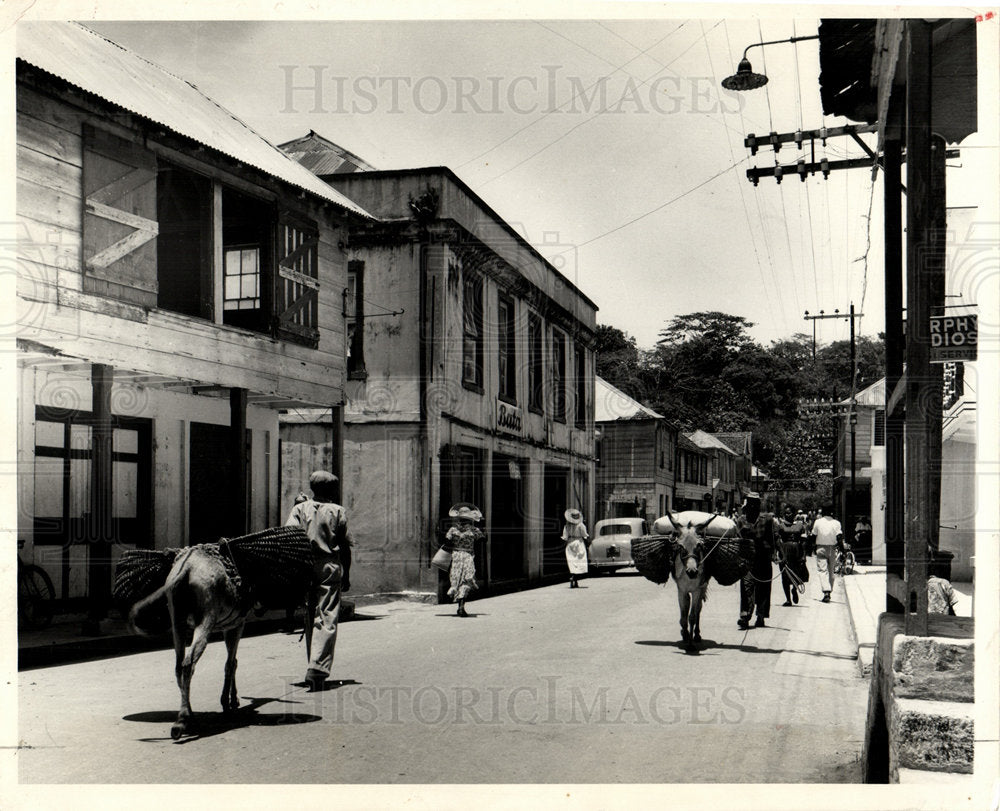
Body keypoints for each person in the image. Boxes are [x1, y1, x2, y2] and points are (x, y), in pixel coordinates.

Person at [285, 471, 352, 690]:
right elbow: (345, 546)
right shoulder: (338, 511)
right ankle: (318, 667)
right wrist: (347, 574)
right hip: (329, 565)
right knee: (327, 615)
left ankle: (312, 664)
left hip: (305, 564)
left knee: (310, 613)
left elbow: (290, 537)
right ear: (332, 490)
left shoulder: (299, 509)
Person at [737, 494, 776, 629]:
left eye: (755, 503)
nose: (752, 506)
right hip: (748, 560)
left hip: (763, 559)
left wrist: (773, 554)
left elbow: (771, 539)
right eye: (750, 503)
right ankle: (745, 616)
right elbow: (738, 541)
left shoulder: (767, 519)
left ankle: (760, 616)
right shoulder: (741, 520)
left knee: (763, 588)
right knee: (746, 586)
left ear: (758, 505)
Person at [443, 502, 483, 616]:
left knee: (456, 578)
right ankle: (461, 606)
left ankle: (457, 602)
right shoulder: (474, 530)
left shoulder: (452, 529)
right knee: (466, 580)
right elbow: (483, 540)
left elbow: (446, 542)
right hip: (468, 556)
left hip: (456, 556)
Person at [777, 506, 809, 606]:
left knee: (797, 573)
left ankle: (794, 589)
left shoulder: (800, 525)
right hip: (785, 551)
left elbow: (804, 541)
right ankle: (788, 599)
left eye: (789, 513)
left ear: (794, 514)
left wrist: (804, 555)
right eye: (786, 513)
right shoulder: (781, 526)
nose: (787, 515)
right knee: (785, 575)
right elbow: (777, 540)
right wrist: (779, 553)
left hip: (797, 551)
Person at [811, 507, 844, 603]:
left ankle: (826, 591)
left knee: (822, 570)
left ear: (822, 513)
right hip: (832, 549)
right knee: (831, 571)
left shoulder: (818, 522)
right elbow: (839, 537)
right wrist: (842, 550)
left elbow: (813, 535)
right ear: (832, 513)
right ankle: (829, 592)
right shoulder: (837, 523)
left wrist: (811, 548)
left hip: (821, 548)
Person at [562, 508, 590, 588]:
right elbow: (585, 535)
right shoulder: (581, 525)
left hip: (570, 543)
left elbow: (565, 537)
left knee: (572, 562)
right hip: (579, 543)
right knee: (579, 561)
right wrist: (588, 542)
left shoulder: (566, 526)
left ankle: (573, 577)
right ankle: (575, 579)